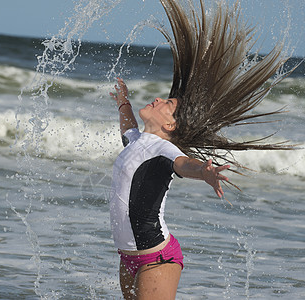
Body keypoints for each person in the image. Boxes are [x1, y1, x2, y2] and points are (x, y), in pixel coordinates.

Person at [109, 0, 295, 299]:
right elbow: (127, 128)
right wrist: (123, 102)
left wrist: (204, 172)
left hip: (157, 257)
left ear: (170, 126)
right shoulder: (137, 141)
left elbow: (184, 164)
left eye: (167, 104)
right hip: (129, 256)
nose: (157, 99)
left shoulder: (164, 150)